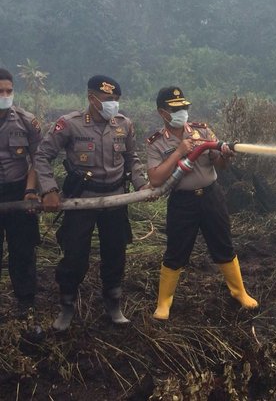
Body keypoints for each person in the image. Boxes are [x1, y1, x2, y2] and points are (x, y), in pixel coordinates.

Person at [35, 75, 149, 331]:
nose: (114, 105)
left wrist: (141, 183)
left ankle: (113, 301)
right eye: (109, 100)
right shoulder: (69, 125)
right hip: (81, 201)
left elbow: (132, 158)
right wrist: (49, 190)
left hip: (116, 199)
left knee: (115, 252)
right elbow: (42, 156)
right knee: (74, 256)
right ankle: (66, 305)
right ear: (92, 99)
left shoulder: (124, 125)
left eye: (117, 100)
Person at [147, 86, 257, 320]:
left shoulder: (203, 131)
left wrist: (225, 155)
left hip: (211, 197)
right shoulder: (156, 143)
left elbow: (220, 164)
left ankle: (239, 293)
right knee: (176, 252)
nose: (182, 112)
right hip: (182, 202)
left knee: (223, 245)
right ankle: (164, 303)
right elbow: (156, 178)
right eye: (176, 109)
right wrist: (179, 151)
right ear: (162, 113)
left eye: (184, 108)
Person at [0, 68, 42, 317]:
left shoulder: (27, 121)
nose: (5, 95)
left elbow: (39, 159)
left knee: (23, 250)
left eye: (9, 91)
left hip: (19, 191)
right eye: (0, 91)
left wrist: (30, 191)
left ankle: (26, 303)